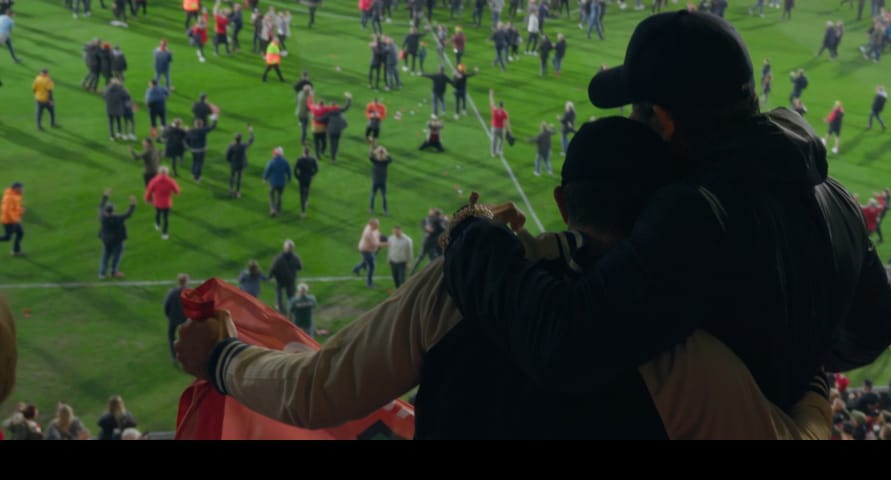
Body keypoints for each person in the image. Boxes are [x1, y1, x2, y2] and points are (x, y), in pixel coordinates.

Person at [175, 117, 832, 439]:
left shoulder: (457, 283)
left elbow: (318, 392)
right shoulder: (680, 352)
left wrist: (224, 357)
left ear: (566, 203)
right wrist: (813, 383)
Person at [442, 10, 891, 416]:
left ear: (663, 121)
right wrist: (798, 362)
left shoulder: (698, 211)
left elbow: (564, 344)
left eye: (635, 112)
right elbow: (883, 322)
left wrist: (473, 235)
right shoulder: (834, 194)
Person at [97, 189, 136, 280]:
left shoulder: (102, 217)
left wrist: (105, 196)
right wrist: (133, 204)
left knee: (105, 256)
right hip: (117, 241)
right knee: (116, 256)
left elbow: (100, 206)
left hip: (106, 240)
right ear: (113, 210)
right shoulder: (118, 218)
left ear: (106, 211)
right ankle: (113, 271)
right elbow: (128, 214)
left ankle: (101, 274)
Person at [144, 166, 181, 240]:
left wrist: (147, 199)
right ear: (167, 173)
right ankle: (165, 234)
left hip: (157, 202)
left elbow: (149, 191)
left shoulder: (154, 180)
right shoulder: (171, 181)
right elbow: (177, 191)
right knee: (166, 218)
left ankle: (157, 225)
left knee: (157, 213)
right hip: (167, 203)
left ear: (159, 172)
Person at [268, 240, 303, 314]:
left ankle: (280, 311)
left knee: (280, 297)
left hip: (280, 280)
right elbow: (299, 267)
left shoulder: (279, 258)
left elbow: (273, 268)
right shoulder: (295, 258)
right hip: (290, 280)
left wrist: (270, 276)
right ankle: (290, 310)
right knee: (290, 297)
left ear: (284, 248)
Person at [163, 274, 191, 360]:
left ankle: (174, 356)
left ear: (178, 282)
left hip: (173, 318)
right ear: (187, 282)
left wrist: (169, 316)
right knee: (188, 335)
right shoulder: (190, 292)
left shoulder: (172, 292)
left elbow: (166, 305)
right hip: (186, 319)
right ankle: (187, 353)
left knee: (171, 334)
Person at [353, 218, 387, 288]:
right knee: (371, 266)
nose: (378, 226)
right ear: (372, 224)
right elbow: (376, 244)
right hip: (366, 250)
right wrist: (388, 244)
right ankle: (369, 283)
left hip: (365, 248)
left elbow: (377, 232)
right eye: (376, 225)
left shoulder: (369, 226)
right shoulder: (368, 233)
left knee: (366, 262)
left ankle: (356, 269)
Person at [225, 126, 256, 199]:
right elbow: (251, 140)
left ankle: (230, 190)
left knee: (232, 177)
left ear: (234, 139)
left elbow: (227, 156)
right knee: (239, 178)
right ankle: (238, 192)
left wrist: (230, 161)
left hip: (234, 164)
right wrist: (251, 131)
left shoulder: (231, 146)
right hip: (241, 164)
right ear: (241, 139)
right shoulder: (243, 146)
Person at [263, 147, 293, 217]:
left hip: (273, 183)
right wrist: (289, 179)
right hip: (282, 183)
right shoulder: (285, 162)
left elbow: (267, 171)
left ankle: (273, 209)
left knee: (271, 195)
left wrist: (264, 178)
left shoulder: (271, 162)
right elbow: (289, 172)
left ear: (275, 155)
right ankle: (278, 210)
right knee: (280, 196)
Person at [293, 146, 320, 218]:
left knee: (301, 195)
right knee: (307, 189)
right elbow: (317, 169)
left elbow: (295, 170)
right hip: (309, 178)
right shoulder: (312, 159)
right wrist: (312, 175)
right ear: (309, 152)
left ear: (303, 152)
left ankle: (303, 212)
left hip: (301, 178)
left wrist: (297, 177)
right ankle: (306, 201)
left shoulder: (299, 159)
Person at [387, 226, 414, 290]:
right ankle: (397, 290)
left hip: (402, 262)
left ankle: (402, 291)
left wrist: (409, 262)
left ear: (401, 231)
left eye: (397, 232)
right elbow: (390, 249)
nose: (396, 233)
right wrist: (388, 259)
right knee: (395, 277)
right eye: (394, 232)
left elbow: (410, 252)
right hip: (393, 261)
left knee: (402, 279)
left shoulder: (407, 240)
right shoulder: (391, 238)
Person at [2, 182, 25, 257]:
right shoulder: (9, 197)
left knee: (20, 233)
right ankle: (15, 251)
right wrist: (15, 219)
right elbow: (7, 210)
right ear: (16, 188)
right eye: (21, 188)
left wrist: (20, 210)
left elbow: (15, 207)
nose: (23, 189)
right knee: (7, 238)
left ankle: (16, 251)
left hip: (14, 220)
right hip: (9, 221)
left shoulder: (16, 195)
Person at [369, 145, 393, 215]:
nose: (380, 155)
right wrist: (380, 151)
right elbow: (370, 156)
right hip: (377, 181)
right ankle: (372, 209)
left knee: (383, 197)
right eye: (380, 154)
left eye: (381, 154)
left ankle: (383, 210)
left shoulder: (382, 161)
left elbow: (391, 159)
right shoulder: (378, 161)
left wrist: (383, 152)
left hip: (381, 181)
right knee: (373, 196)